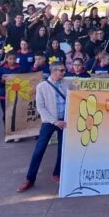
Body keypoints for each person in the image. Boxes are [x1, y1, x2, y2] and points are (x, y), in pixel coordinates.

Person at [18, 62, 68, 192]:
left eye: (64, 70)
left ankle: (57, 173)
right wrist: (54, 121)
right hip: (49, 122)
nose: (63, 73)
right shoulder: (42, 86)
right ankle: (30, 179)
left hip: (64, 121)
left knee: (63, 150)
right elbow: (40, 107)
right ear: (53, 71)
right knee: (39, 150)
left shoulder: (67, 84)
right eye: (61, 70)